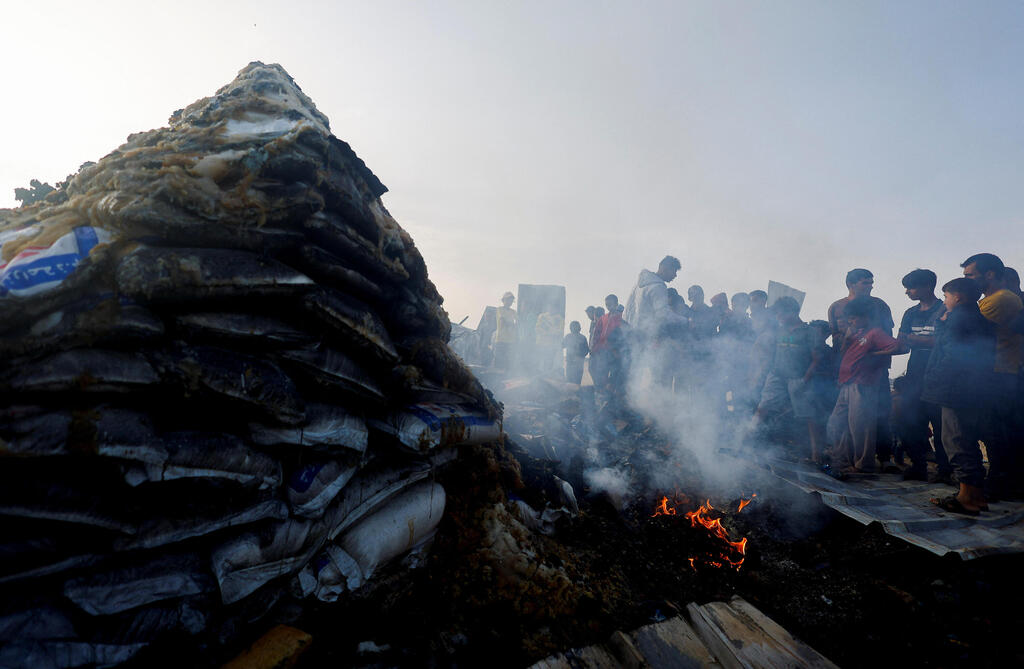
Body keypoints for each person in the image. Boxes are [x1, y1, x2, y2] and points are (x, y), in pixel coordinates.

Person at [921, 278, 996, 514]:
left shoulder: (958, 319)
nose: (945, 301)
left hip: (955, 389)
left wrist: (934, 381)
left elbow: (950, 354)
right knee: (967, 440)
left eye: (946, 297)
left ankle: (966, 498)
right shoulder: (980, 319)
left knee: (956, 441)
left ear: (958, 297)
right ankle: (977, 495)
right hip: (974, 389)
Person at [962, 253, 1024, 500]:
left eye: (970, 275)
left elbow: (964, 328)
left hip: (1003, 373)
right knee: (995, 432)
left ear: (989, 274)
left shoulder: (1001, 299)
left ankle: (1003, 483)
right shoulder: (990, 300)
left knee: (1000, 433)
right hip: (997, 373)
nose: (966, 279)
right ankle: (1004, 481)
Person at [826, 297, 904, 474]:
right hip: (847, 383)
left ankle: (864, 465)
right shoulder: (857, 333)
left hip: (864, 384)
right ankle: (843, 459)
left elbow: (899, 347)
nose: (850, 321)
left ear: (865, 316)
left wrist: (875, 354)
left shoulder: (875, 333)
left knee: (861, 427)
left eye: (853, 318)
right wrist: (847, 338)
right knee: (836, 423)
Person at [752, 297, 827, 461]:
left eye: (780, 313)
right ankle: (745, 443)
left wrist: (804, 380)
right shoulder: (779, 331)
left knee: (809, 416)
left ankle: (816, 455)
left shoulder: (809, 332)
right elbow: (765, 350)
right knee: (762, 409)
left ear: (792, 312)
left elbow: (816, 359)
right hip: (777, 376)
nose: (777, 316)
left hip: (799, 378)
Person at [895, 269, 951, 482]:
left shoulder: (945, 308)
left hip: (939, 374)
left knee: (940, 425)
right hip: (915, 372)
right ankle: (918, 466)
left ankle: (944, 470)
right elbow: (902, 342)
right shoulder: (910, 313)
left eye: (911, 287)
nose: (908, 292)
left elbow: (945, 342)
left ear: (927, 286)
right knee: (911, 421)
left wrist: (916, 340)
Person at [493, 291, 518, 371]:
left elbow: (518, 323)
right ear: (503, 300)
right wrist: (512, 324)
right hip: (501, 339)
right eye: (508, 300)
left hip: (511, 341)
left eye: (511, 300)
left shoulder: (514, 312)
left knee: (508, 363)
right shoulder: (499, 309)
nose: (509, 302)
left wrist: (513, 325)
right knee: (499, 362)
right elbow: (503, 320)